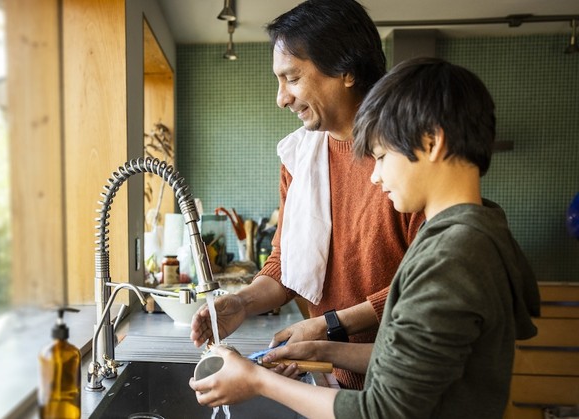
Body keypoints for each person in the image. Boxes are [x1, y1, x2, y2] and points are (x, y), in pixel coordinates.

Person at [189, 56, 541, 418]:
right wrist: (322, 350)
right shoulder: (465, 237)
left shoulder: (453, 256)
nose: (373, 177)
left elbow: (382, 411)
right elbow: (412, 360)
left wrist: (258, 381)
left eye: (382, 156)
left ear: (432, 141)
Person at [190, 0, 424, 390]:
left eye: (292, 78)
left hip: (405, 378)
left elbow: (424, 285)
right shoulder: (300, 157)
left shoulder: (405, 157)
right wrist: (243, 303)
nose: (281, 98)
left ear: (346, 69)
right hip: (337, 377)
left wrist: (326, 328)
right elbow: (288, 261)